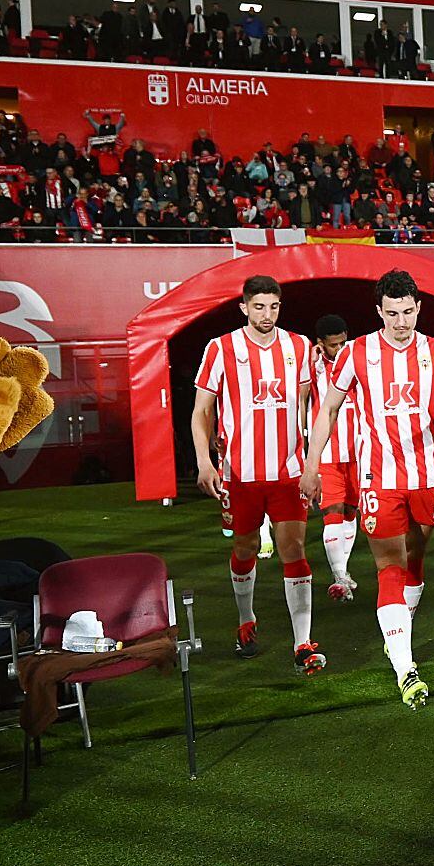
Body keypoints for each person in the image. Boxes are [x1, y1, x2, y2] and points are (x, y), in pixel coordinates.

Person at [303, 270, 434, 710]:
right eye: (392, 314)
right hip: (379, 477)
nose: (401, 322)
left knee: (416, 561)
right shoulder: (356, 352)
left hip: (426, 477)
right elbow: (329, 409)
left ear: (418, 308)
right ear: (378, 312)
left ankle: (397, 636)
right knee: (390, 566)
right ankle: (405, 667)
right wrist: (311, 465)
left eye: (408, 312)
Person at [190, 276, 322, 674]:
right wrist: (203, 462)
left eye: (274, 307)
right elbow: (201, 412)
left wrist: (312, 466)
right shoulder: (221, 348)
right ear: (244, 307)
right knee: (246, 548)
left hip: (288, 473)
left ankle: (303, 644)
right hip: (238, 474)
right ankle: (246, 618)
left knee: (293, 550)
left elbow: (309, 408)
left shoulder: (298, 347)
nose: (267, 314)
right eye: (259, 306)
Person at [306, 314, 360, 601]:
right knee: (332, 512)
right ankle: (339, 576)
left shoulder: (358, 359)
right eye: (332, 345)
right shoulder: (313, 367)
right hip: (328, 452)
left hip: (360, 452)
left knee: (351, 512)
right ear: (321, 345)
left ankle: (343, 570)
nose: (338, 349)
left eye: (342, 342)